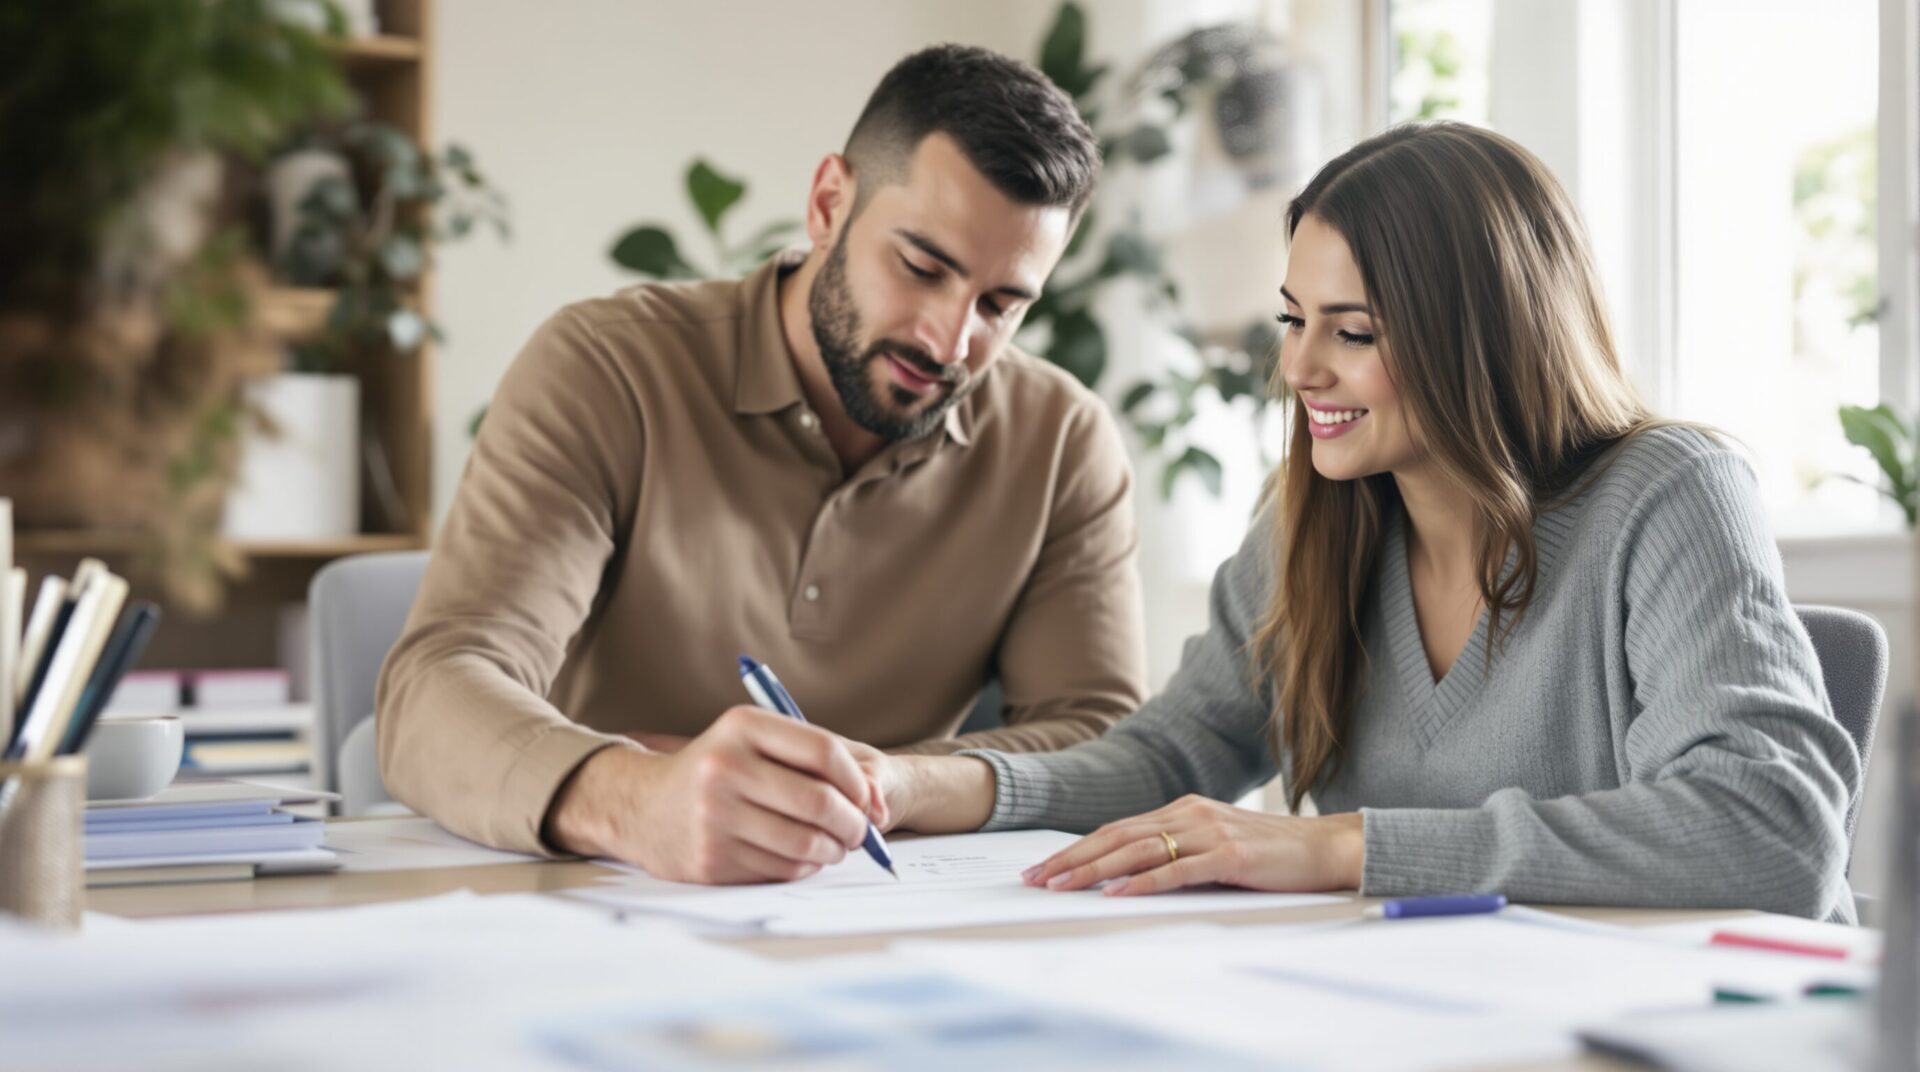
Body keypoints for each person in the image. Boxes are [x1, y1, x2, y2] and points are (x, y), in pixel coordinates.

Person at [870, 122, 1861, 921]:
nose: (1300, 370)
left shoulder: (1669, 493)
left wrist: (1343, 845)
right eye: (1293, 319)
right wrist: (911, 787)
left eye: (1352, 332)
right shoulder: (1314, 516)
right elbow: (1168, 759)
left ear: (1482, 337)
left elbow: (1770, 829)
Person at [376, 45, 1149, 884]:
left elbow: (1102, 743)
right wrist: (639, 797)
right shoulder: (607, 368)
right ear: (828, 205)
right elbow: (434, 690)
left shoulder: (1061, 439)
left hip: (879, 913)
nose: (950, 340)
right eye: (923, 268)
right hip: (600, 893)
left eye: (1002, 304)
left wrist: (886, 783)